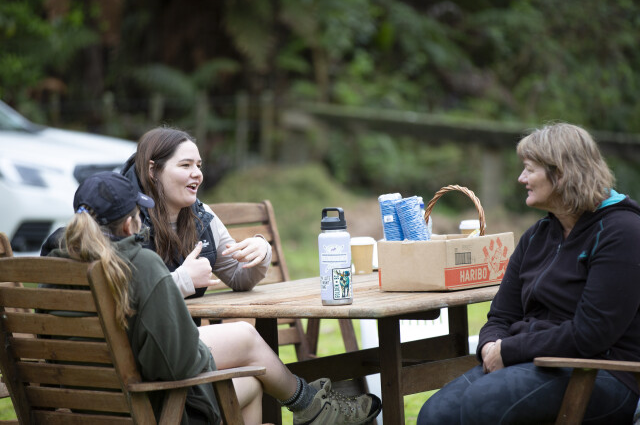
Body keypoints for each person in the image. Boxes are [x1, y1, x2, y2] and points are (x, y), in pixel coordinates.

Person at [49, 171, 382, 424]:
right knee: (248, 368)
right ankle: (312, 407)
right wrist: (213, 349)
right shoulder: (138, 263)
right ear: (127, 225)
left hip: (85, 405)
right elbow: (176, 365)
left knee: (245, 357)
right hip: (151, 409)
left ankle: (312, 406)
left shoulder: (54, 265)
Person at [417, 123, 640, 425]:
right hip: (530, 360)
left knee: (483, 403)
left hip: (603, 371)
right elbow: (501, 315)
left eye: (529, 169)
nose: (522, 179)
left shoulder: (623, 232)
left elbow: (592, 333)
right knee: (435, 415)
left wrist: (509, 350)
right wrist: (490, 347)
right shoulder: (537, 235)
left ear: (561, 173)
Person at [118, 126, 270, 303]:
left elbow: (239, 277)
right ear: (152, 170)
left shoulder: (203, 216)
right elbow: (124, 295)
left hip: (192, 321)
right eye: (185, 165)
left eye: (198, 166)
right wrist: (184, 280)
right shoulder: (126, 219)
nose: (198, 174)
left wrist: (262, 250)